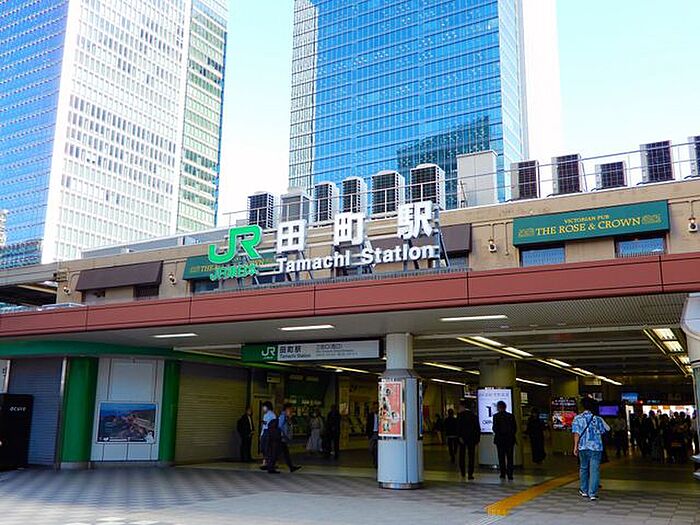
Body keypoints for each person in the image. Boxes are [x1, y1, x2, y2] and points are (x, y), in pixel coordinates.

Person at [572, 397, 610, 501]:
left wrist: (575, 446)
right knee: (594, 470)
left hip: (582, 446)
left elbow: (576, 433)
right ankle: (592, 493)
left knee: (583, 467)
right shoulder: (597, 419)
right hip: (596, 447)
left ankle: (584, 490)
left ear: (582, 406)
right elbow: (606, 429)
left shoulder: (577, 418)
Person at [269, 403, 301, 473]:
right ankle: (271, 468)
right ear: (287, 409)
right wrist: (283, 434)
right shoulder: (283, 416)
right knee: (276, 453)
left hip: (282, 438)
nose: (292, 410)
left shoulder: (285, 416)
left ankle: (291, 467)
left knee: (285, 453)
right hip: (280, 438)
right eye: (291, 409)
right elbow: (280, 426)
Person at [492, 400, 517, 480]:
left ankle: (502, 473)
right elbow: (514, 428)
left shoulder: (496, 416)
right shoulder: (511, 416)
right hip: (510, 439)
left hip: (500, 440)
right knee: (510, 457)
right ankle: (510, 474)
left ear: (498, 407)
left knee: (501, 457)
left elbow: (494, 428)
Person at [456, 400, 480, 479]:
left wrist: (459, 436)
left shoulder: (460, 415)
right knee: (471, 456)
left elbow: (458, 427)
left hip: (462, 438)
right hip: (472, 438)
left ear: (463, 406)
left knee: (462, 455)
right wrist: (477, 439)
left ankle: (463, 472)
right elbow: (477, 428)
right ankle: (470, 473)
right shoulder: (474, 416)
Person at [259, 401, 276, 469]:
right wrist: (261, 434)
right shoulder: (265, 415)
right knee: (264, 448)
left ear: (267, 407)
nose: (263, 408)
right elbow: (263, 426)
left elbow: (273, 424)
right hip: (265, 432)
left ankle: (267, 462)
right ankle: (265, 462)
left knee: (267, 448)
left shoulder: (272, 415)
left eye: (264, 407)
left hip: (268, 432)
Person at [366, 401, 379, 468]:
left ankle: (376, 461)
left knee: (377, 448)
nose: (376, 409)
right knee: (371, 448)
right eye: (375, 407)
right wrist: (367, 434)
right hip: (372, 433)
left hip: (378, 433)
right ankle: (374, 459)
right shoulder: (370, 415)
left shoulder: (380, 415)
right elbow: (368, 425)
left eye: (377, 407)